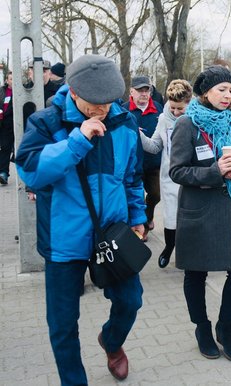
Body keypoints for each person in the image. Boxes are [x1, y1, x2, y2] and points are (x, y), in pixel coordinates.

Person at [14, 54, 146, 384]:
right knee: (62, 325)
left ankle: (111, 341)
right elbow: (30, 173)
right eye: (94, 103)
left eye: (109, 101)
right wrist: (78, 141)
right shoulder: (47, 122)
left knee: (131, 300)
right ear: (73, 91)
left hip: (112, 234)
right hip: (64, 239)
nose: (103, 109)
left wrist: (138, 216)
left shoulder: (124, 122)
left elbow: (132, 177)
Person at [169, 65, 231, 361]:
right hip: (199, 211)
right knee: (196, 273)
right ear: (205, 92)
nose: (227, 95)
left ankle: (226, 326)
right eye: (221, 89)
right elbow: (177, 170)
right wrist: (214, 172)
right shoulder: (187, 123)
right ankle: (202, 328)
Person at [138, 79, 193, 268]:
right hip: (170, 178)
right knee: (170, 217)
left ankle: (187, 255)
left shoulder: (197, 118)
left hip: (192, 177)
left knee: (190, 220)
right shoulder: (163, 119)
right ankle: (169, 247)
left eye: (180, 109)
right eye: (173, 108)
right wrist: (139, 135)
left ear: (189, 103)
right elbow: (154, 147)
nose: (176, 112)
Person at [123, 75, 163, 241]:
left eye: (147, 90)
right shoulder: (124, 110)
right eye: (140, 90)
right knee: (136, 196)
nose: (144, 94)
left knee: (155, 194)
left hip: (154, 162)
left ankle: (148, 217)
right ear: (131, 91)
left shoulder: (159, 109)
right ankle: (142, 228)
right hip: (133, 164)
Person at [0, 71, 14, 185]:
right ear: (6, 80)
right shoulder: (2, 91)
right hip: (3, 124)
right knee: (5, 148)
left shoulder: (22, 91)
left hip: (15, 123)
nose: (13, 81)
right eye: (11, 79)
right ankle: (3, 173)